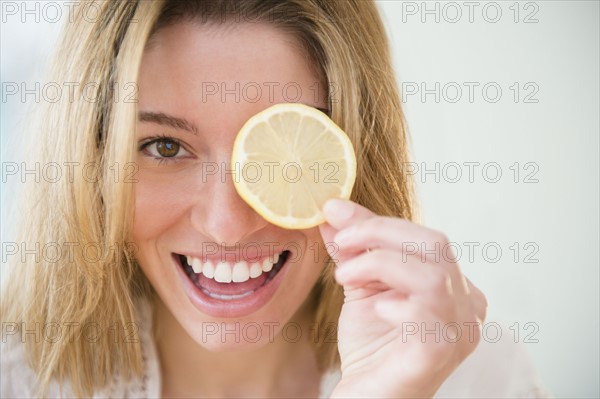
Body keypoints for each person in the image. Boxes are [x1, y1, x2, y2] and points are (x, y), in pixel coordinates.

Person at [0, 1, 548, 398]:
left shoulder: (477, 378)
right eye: (165, 147)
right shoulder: (16, 379)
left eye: (282, 157)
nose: (227, 225)